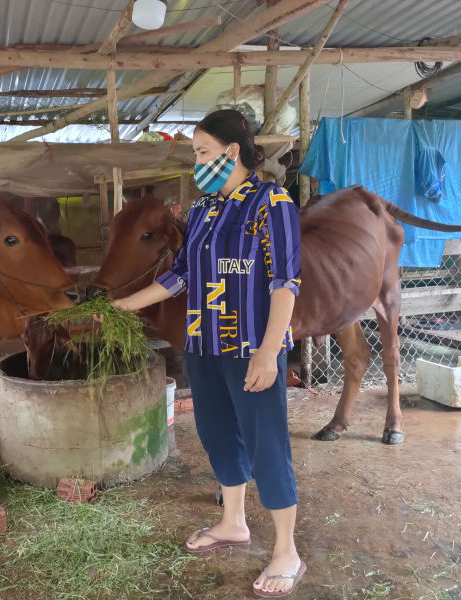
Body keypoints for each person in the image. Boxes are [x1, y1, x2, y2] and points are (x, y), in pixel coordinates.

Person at [109, 110, 304, 597]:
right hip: (204, 341)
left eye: (201, 152)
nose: (196, 161)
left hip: (251, 346)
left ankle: (286, 551)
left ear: (231, 152)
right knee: (216, 432)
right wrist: (125, 304)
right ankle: (233, 522)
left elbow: (285, 284)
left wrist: (267, 353)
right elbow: (184, 277)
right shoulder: (204, 210)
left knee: (266, 442)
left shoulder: (271, 203)